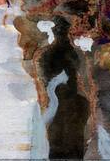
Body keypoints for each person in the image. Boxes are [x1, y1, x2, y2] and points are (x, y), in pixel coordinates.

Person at [37, 15, 90, 160]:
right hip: (64, 97)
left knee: (64, 127)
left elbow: (44, 76)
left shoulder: (49, 53)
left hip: (62, 97)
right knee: (68, 128)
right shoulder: (72, 52)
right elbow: (80, 73)